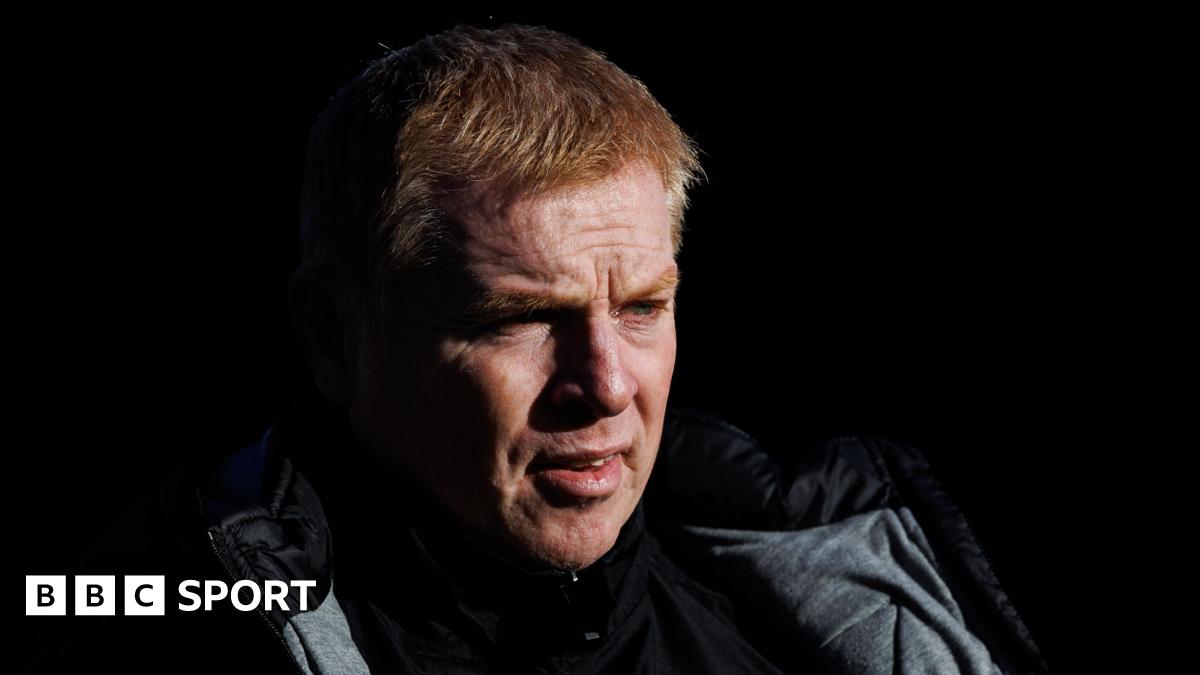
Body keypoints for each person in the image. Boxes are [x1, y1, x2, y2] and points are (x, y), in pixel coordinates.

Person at [31, 23, 1050, 674]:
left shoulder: (810, 588)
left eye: (643, 308)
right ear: (332, 334)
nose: (604, 385)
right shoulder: (154, 621)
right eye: (518, 318)